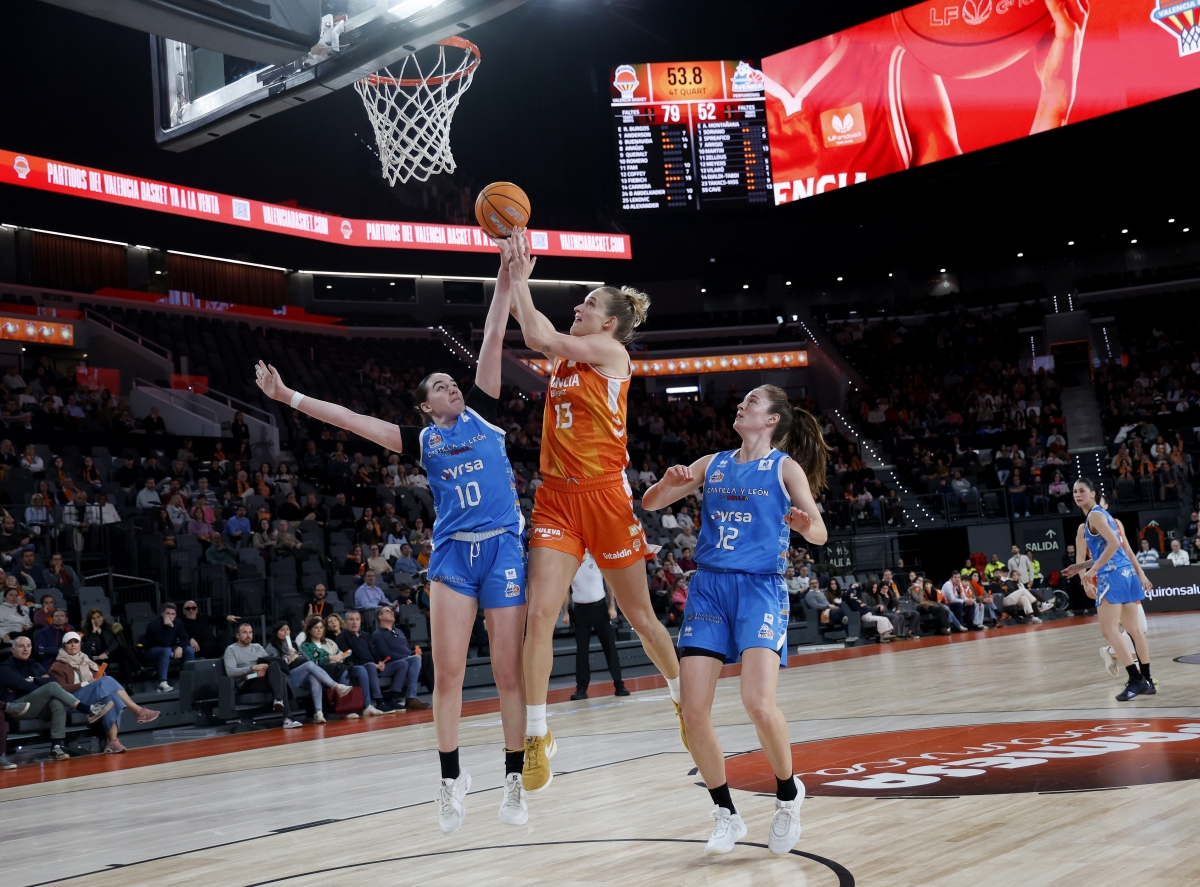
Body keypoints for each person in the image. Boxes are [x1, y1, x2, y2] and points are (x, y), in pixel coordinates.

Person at [256, 242, 530, 834]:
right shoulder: (420, 440)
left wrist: (505, 277)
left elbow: (492, 332)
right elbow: (348, 419)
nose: (452, 387)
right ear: (425, 405)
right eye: (440, 386)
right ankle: (450, 781)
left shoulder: (484, 411)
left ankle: (514, 776)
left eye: (452, 382)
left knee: (508, 673)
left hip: (504, 546)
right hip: (454, 555)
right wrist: (288, 397)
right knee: (449, 673)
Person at [499, 228, 684, 796]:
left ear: (609, 323)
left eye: (588, 304)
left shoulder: (611, 353)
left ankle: (683, 697)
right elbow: (529, 326)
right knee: (539, 615)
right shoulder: (566, 356)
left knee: (640, 616)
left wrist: (521, 277)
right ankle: (537, 734)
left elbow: (536, 331)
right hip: (556, 498)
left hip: (605, 496)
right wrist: (510, 272)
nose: (578, 307)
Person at [641, 384, 830, 857]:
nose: (742, 405)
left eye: (752, 401)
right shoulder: (713, 463)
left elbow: (821, 533)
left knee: (758, 704)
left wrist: (805, 525)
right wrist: (667, 482)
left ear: (772, 419)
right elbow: (650, 503)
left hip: (759, 589)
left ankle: (787, 794)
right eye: (743, 400)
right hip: (709, 588)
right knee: (693, 710)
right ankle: (726, 812)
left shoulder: (784, 468)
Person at [1065, 478, 1154, 701]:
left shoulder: (1094, 516)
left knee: (1109, 630)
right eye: (1074, 492)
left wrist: (1093, 571)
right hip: (1126, 573)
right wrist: (1081, 567)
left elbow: (1114, 545)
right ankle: (1147, 680)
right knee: (1134, 630)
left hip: (1112, 575)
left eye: (1082, 491)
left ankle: (1135, 679)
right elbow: (1114, 549)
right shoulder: (1103, 517)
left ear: (1093, 493)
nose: (1077, 495)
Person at [0, 636, 113, 760]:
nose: (26, 649)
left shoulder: (34, 665)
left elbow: (52, 681)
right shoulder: (5, 668)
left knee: (56, 702)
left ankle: (56, 748)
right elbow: (22, 685)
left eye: (29, 646)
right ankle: (89, 709)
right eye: (21, 646)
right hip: (16, 707)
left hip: (36, 706)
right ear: (13, 650)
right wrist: (40, 683)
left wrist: (33, 680)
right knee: (51, 688)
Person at [50, 632, 161, 753]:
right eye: (69, 643)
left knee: (111, 698)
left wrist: (98, 678)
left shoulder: (87, 661)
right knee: (107, 681)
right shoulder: (58, 666)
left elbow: (102, 681)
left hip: (91, 699)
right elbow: (60, 690)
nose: (73, 645)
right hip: (72, 701)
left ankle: (113, 741)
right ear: (63, 646)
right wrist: (85, 684)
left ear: (80, 644)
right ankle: (138, 711)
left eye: (75, 642)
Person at [562, 552, 628, 700]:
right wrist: (565, 612)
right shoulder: (570, 563)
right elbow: (565, 590)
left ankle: (619, 685)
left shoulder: (596, 559)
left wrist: (612, 606)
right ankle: (581, 689)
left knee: (609, 646)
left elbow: (609, 583)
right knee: (582, 651)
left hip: (600, 608)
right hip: (580, 611)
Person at [263, 621, 351, 725]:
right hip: (285, 679)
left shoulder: (294, 644)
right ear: (276, 632)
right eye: (282, 630)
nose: (285, 632)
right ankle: (335, 686)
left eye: (287, 629)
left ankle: (318, 713)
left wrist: (297, 655)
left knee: (313, 678)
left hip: (299, 675)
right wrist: (287, 657)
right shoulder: (271, 647)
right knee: (309, 665)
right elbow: (274, 667)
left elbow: (307, 659)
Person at [223, 622, 301, 727]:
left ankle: (279, 700)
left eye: (250, 632)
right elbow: (231, 672)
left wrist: (263, 670)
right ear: (237, 635)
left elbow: (269, 663)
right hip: (247, 680)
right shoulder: (231, 650)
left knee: (275, 666)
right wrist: (253, 668)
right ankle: (287, 716)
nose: (248, 635)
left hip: (262, 677)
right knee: (281, 678)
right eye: (245, 633)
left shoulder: (258, 647)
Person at [371, 606, 428, 712]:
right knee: (414, 660)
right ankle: (411, 697)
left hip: (406, 660)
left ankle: (412, 696)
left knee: (421, 658)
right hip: (390, 664)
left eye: (391, 611)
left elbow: (407, 649)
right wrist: (409, 657)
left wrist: (414, 653)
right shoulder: (377, 634)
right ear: (380, 617)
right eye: (387, 611)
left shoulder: (399, 631)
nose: (392, 613)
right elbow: (386, 654)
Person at [336, 610, 390, 713]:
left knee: (402, 664)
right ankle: (378, 702)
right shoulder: (341, 638)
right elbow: (348, 659)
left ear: (360, 621)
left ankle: (395, 698)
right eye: (351, 619)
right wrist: (372, 664)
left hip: (375, 666)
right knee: (369, 666)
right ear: (345, 622)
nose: (354, 622)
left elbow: (375, 652)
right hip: (357, 667)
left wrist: (380, 661)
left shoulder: (366, 635)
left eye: (357, 619)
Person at [80, 608, 148, 681]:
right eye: (93, 618)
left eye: (98, 617)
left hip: (109, 655)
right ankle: (140, 669)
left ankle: (131, 680)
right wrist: (93, 632)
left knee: (124, 651)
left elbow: (114, 643)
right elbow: (87, 650)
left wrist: (106, 653)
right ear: (90, 621)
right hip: (97, 659)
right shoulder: (87, 632)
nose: (96, 620)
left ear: (102, 617)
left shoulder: (109, 627)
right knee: (123, 655)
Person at [145, 602, 194, 692]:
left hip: (169, 648)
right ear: (162, 614)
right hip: (151, 651)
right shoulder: (154, 625)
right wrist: (170, 626)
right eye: (167, 614)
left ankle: (188, 680)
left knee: (189, 649)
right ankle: (162, 682)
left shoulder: (177, 622)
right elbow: (165, 643)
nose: (170, 616)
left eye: (173, 614)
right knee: (166, 650)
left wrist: (180, 647)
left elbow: (185, 638)